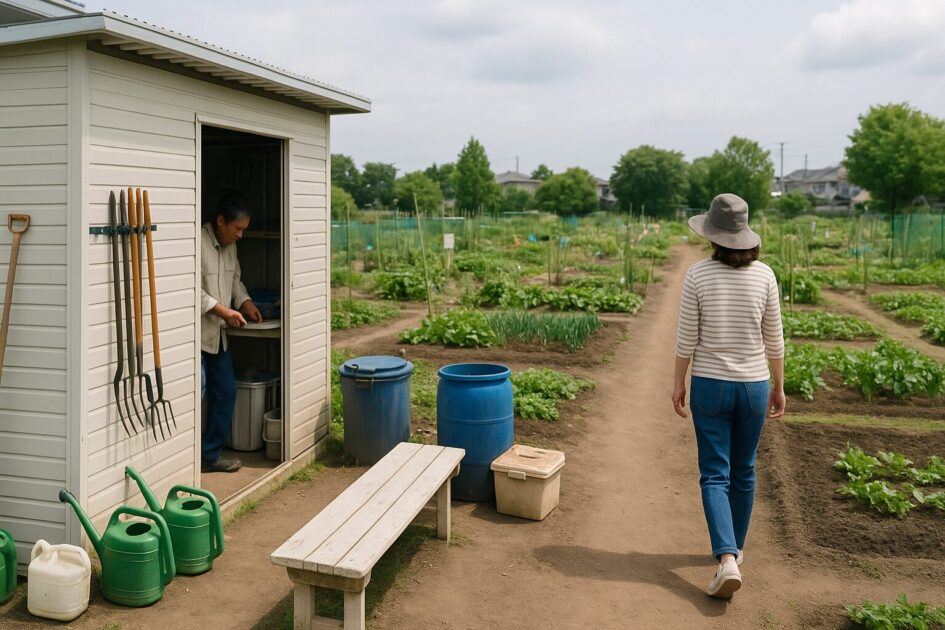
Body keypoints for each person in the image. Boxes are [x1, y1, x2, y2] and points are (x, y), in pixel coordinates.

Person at [672, 193, 786, 600]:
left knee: (714, 473)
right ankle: (734, 550)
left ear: (712, 235)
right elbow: (775, 338)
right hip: (754, 386)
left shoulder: (698, 275)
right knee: (744, 470)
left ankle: (726, 559)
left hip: (711, 384)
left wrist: (678, 382)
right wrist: (778, 386)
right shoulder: (765, 275)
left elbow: (686, 337)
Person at [200, 192, 263, 473]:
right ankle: (184, 459)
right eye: (237, 228)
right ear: (220, 221)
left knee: (226, 391)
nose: (240, 235)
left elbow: (235, 280)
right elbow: (191, 291)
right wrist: (224, 311)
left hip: (218, 337)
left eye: (244, 230)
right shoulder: (198, 243)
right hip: (197, 337)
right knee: (196, 394)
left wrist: (245, 303)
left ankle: (209, 456)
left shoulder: (230, 247)